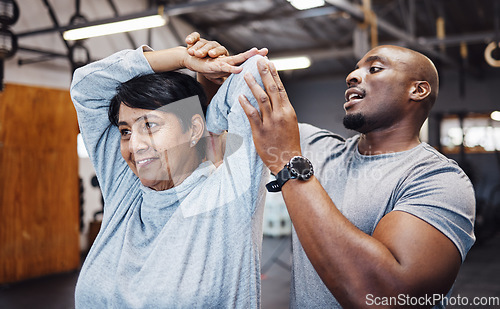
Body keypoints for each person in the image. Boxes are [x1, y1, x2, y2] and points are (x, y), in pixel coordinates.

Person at [238, 45, 475, 308]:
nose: (352, 76)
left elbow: (385, 298)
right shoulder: (317, 147)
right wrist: (198, 73)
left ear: (417, 90)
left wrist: (289, 164)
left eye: (374, 69)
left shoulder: (438, 179)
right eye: (355, 69)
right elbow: (203, 137)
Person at [70, 33, 269, 308]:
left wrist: (206, 115)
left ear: (195, 129)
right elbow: (86, 85)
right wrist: (181, 58)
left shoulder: (227, 196)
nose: (135, 145)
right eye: (125, 131)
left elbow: (255, 70)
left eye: (149, 125)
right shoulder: (125, 190)